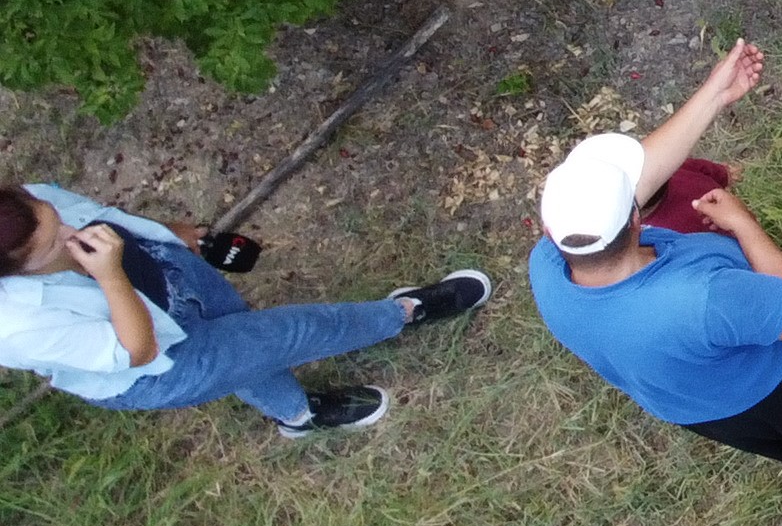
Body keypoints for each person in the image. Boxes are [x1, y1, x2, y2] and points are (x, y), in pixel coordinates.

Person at [530, 39, 782, 512]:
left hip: (702, 406)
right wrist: (745, 226)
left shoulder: (548, 267)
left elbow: (638, 181)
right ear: (638, 220)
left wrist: (715, 93)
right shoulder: (700, 296)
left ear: (551, 229)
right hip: (781, 378)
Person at [0, 181, 486, 433]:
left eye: (56, 219)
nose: (70, 235)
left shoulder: (28, 204)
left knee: (248, 344)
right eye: (51, 248)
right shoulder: (14, 327)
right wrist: (110, 274)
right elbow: (138, 349)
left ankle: (296, 415)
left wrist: (173, 233)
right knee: (297, 332)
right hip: (162, 361)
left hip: (168, 276)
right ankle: (401, 313)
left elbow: (106, 216)